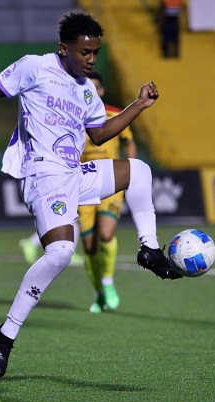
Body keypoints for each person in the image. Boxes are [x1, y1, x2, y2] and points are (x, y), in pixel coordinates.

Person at [0, 10, 181, 379]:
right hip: (42, 175)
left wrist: (138, 105)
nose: (91, 59)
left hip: (72, 174)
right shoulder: (34, 67)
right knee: (62, 254)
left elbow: (98, 134)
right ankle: (6, 334)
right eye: (85, 52)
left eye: (96, 53)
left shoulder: (85, 89)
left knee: (139, 171)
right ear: (63, 49)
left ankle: (149, 248)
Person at [78, 71, 138, 314]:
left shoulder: (115, 113)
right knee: (89, 246)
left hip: (110, 181)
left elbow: (129, 141)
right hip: (81, 185)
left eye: (96, 88)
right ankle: (99, 294)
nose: (92, 91)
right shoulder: (73, 117)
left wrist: (131, 168)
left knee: (105, 234)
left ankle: (108, 282)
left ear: (101, 91)